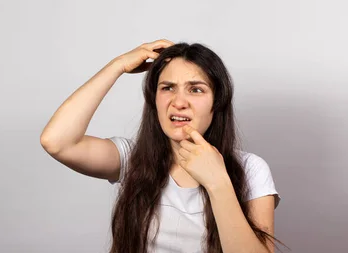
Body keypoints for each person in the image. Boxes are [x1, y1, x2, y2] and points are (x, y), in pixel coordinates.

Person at [39, 39, 283, 253]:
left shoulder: (251, 169)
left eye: (196, 89)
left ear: (217, 103)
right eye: (167, 88)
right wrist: (118, 66)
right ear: (154, 99)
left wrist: (217, 182)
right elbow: (57, 142)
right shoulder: (131, 158)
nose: (178, 102)